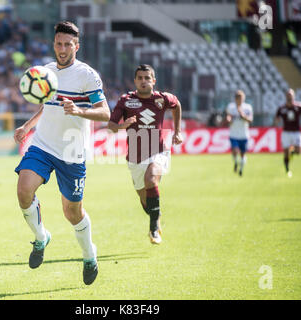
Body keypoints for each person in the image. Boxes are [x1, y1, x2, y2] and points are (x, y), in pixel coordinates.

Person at [13, 21, 110, 285]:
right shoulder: (45, 72)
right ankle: (41, 237)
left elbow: (105, 112)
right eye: (59, 43)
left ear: (77, 46)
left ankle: (89, 254)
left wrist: (81, 111)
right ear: (54, 44)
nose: (63, 48)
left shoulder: (87, 76)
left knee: (72, 213)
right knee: (23, 190)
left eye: (68, 44)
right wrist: (27, 125)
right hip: (43, 144)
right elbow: (47, 106)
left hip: (72, 151)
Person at [107, 64, 183, 245]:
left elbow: (177, 105)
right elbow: (111, 126)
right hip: (135, 157)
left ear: (153, 81)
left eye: (147, 78)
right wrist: (122, 126)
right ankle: (155, 216)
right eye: (140, 78)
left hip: (158, 150)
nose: (143, 81)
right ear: (135, 81)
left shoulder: (162, 99)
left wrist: (177, 131)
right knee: (145, 201)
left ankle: (153, 229)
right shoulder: (126, 100)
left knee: (151, 180)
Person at [274, 88, 301, 178]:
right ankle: (287, 169)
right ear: (286, 96)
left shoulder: (298, 106)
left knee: (298, 151)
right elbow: (277, 118)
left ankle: (292, 153)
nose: (289, 96)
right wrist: (276, 122)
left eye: (291, 95)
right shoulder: (282, 108)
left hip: (296, 132)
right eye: (288, 95)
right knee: (285, 152)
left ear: (294, 96)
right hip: (286, 132)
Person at [226, 90, 253, 177]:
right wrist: (228, 120)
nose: (239, 100)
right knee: (234, 151)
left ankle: (241, 169)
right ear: (235, 99)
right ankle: (235, 162)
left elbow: (250, 120)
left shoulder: (247, 108)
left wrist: (243, 115)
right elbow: (228, 116)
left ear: (243, 99)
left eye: (241, 98)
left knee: (242, 154)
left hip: (244, 135)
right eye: (238, 98)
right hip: (234, 134)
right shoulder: (231, 107)